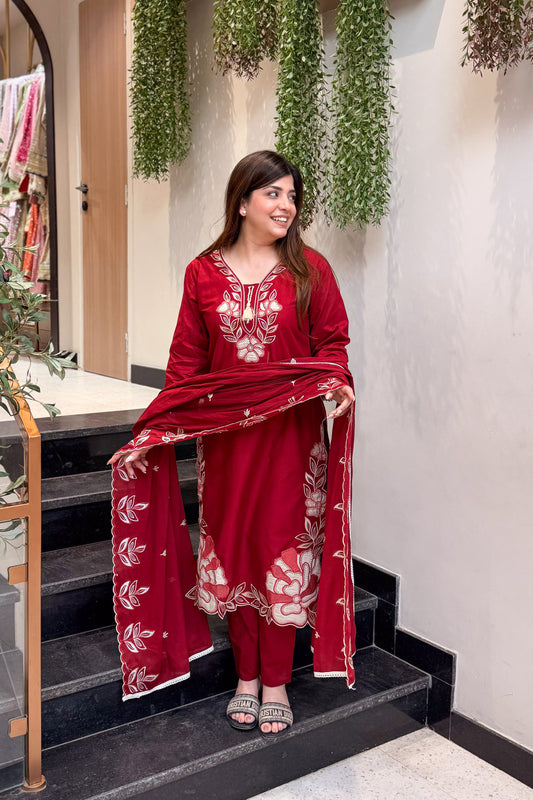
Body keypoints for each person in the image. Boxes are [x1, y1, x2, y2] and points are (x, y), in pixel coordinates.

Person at [109, 150, 355, 736]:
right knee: (237, 550)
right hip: (225, 443)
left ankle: (276, 682)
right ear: (242, 202)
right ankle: (246, 676)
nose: (286, 206)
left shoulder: (311, 271)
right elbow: (186, 363)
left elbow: (332, 344)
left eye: (292, 196)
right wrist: (154, 428)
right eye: (273, 194)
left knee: (281, 551)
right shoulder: (203, 273)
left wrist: (338, 383)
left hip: (293, 441)